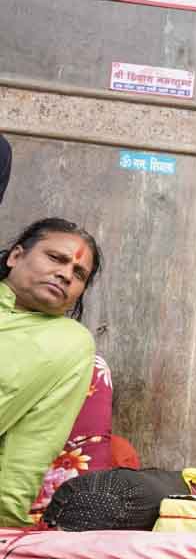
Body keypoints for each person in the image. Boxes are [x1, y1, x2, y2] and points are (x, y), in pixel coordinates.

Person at [0, 218, 101, 526]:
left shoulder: (67, 344)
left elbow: (34, 443)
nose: (65, 274)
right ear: (16, 257)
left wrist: (5, 522)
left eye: (79, 273)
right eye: (56, 258)